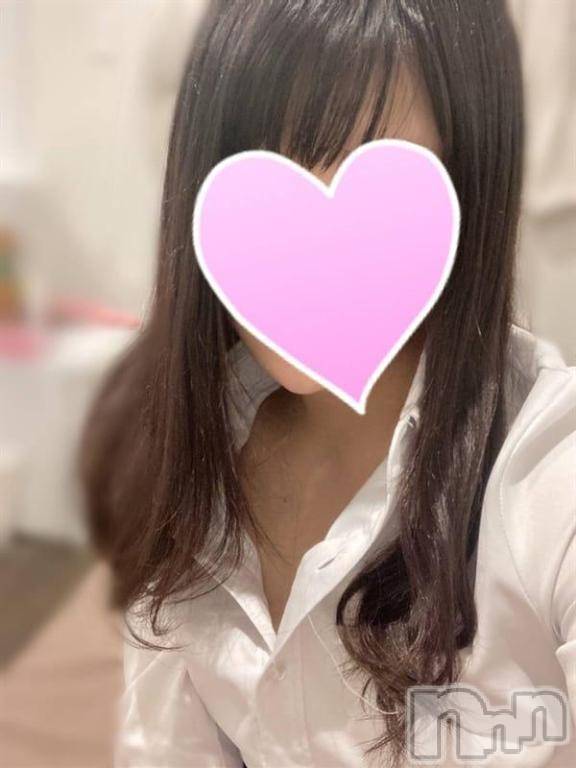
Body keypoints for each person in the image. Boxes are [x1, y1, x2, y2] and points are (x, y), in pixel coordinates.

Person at [79, 1, 576, 766]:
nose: (302, 253)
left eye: (371, 176)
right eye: (261, 171)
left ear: (468, 188)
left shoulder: (549, 477)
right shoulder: (183, 450)